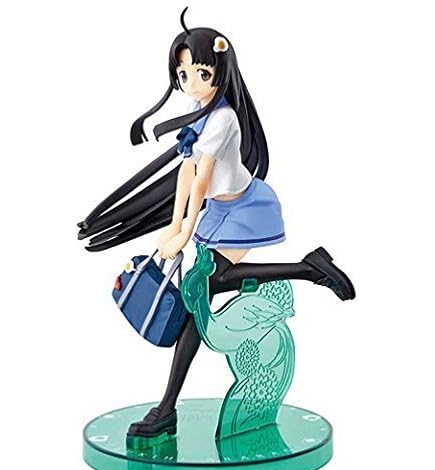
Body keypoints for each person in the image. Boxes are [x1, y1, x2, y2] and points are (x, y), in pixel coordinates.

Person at [78, 9, 355, 439]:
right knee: (197, 301)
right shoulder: (197, 110)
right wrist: (174, 227)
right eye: (183, 73)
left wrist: (185, 234)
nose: (191, 81)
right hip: (220, 214)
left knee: (212, 283)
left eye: (201, 72)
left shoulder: (222, 118)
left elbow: (203, 178)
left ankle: (309, 269)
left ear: (221, 72)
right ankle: (166, 409)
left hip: (244, 210)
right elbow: (185, 174)